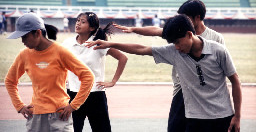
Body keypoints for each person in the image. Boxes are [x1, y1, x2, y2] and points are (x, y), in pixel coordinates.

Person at [86, 14, 242, 132]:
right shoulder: (174, 52)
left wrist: (238, 116)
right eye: (173, 43)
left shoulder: (218, 51)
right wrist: (112, 43)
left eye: (178, 42)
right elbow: (141, 49)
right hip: (194, 119)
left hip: (223, 117)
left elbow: (235, 81)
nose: (176, 47)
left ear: (189, 34)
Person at [113, 0, 225, 132]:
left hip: (206, 94)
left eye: (186, 17)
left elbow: (221, 69)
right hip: (182, 90)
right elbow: (155, 31)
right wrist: (133, 29)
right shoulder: (178, 31)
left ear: (197, 18)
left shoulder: (215, 38)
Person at [5, 13, 95, 132]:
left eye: (25, 36)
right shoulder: (24, 55)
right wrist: (20, 106)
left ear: (37, 33)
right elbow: (10, 81)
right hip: (36, 116)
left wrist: (74, 105)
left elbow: (88, 76)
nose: (22, 41)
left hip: (60, 115)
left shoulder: (60, 52)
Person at [62, 12, 128, 132]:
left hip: (95, 95)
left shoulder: (99, 44)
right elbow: (59, 64)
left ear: (92, 28)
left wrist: (113, 82)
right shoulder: (67, 44)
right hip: (73, 94)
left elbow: (123, 58)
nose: (78, 23)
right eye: (78, 20)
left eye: (83, 22)